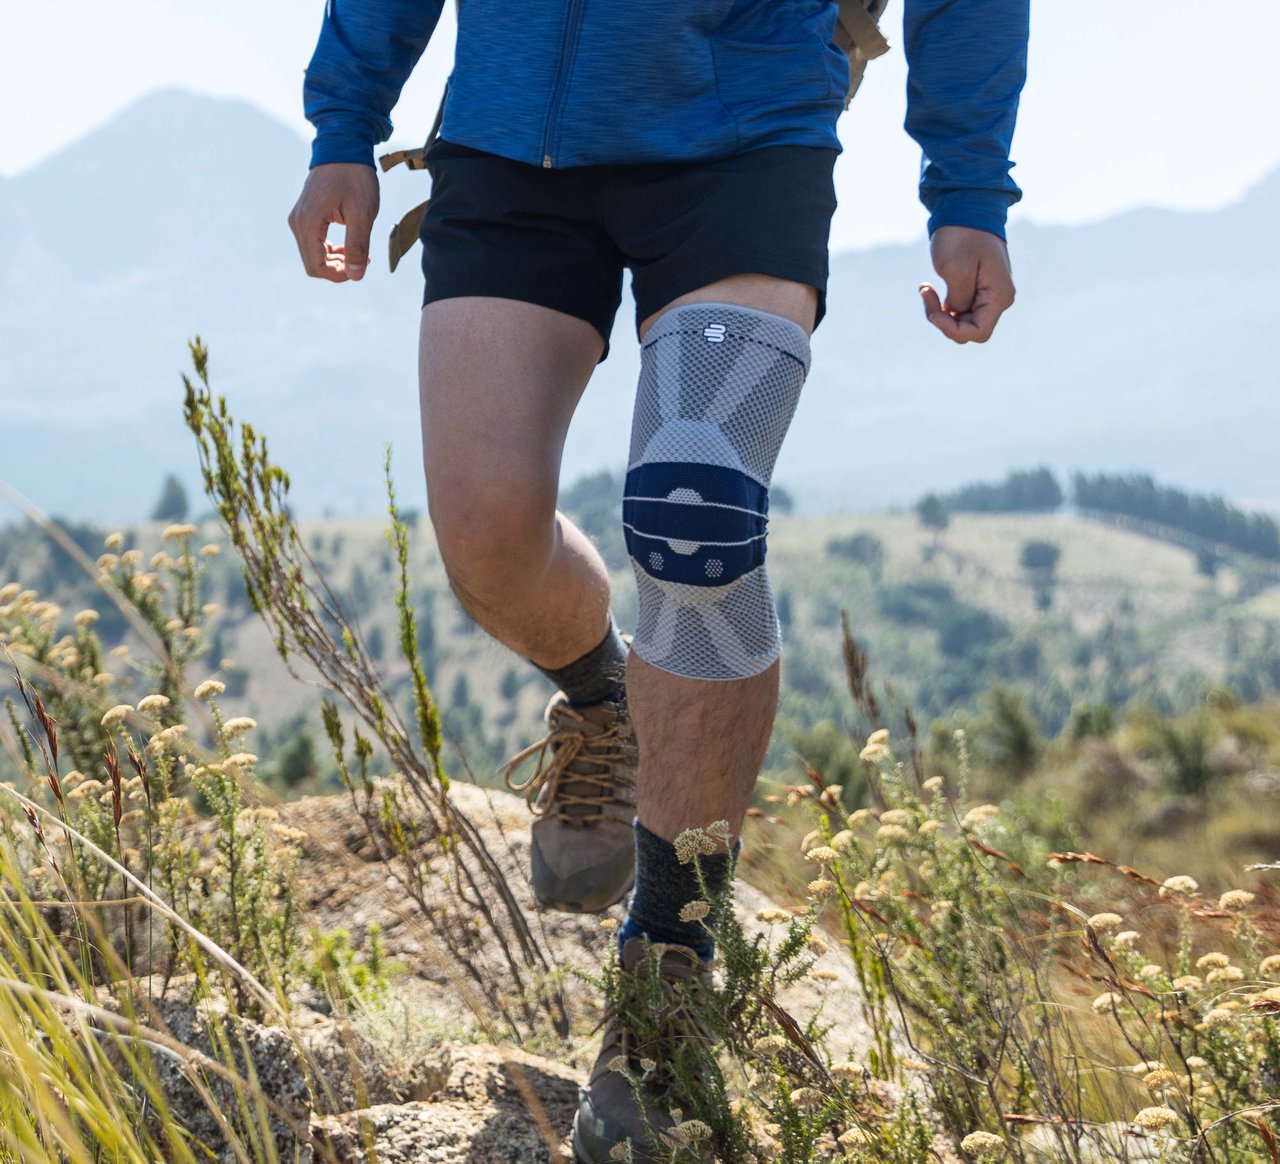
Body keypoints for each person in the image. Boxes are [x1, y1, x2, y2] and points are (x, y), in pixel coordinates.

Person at [288, 1, 1027, 1157]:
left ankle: (665, 977)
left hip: (742, 132)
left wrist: (966, 191)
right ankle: (601, 701)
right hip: (510, 140)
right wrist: (345, 123)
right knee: (486, 539)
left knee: (697, 508)